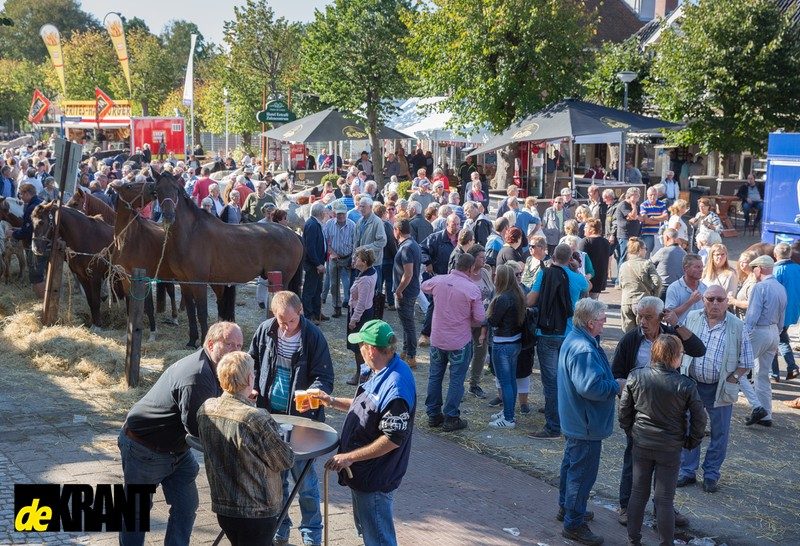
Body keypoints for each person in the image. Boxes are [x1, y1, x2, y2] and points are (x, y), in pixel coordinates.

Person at [118, 322, 243, 545]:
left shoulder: (218, 369)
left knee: (186, 506)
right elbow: (198, 430)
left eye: (240, 345)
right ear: (211, 344)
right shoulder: (196, 375)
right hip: (144, 446)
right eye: (229, 344)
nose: (236, 350)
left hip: (176, 449)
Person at [314, 320, 416, 546]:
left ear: (370, 348)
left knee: (379, 539)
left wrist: (349, 457)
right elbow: (367, 407)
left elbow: (392, 439)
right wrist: (331, 401)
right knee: (370, 534)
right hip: (363, 474)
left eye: (360, 345)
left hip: (375, 478)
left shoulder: (396, 387)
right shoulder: (379, 370)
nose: (358, 349)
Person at [249, 291, 335, 546]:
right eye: (280, 321)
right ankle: (280, 530)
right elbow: (252, 362)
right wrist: (250, 386)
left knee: (305, 483)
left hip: (301, 421)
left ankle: (311, 537)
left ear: (300, 313)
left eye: (291, 321)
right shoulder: (266, 330)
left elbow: (324, 377)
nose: (285, 327)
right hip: (269, 417)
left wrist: (313, 393)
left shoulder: (313, 337)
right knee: (276, 481)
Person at [611, 297, 705, 527]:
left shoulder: (671, 336)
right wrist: (629, 397)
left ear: (661, 316)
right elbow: (616, 374)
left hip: (670, 414)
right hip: (640, 415)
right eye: (639, 316)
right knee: (632, 464)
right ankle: (626, 506)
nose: (642, 321)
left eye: (648, 317)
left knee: (666, 468)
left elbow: (699, 349)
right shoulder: (630, 339)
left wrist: (677, 324)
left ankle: (663, 509)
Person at [197, 351, 295, 546]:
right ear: (250, 378)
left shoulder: (206, 408)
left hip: (224, 506)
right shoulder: (256, 418)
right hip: (256, 510)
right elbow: (285, 460)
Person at [620, 335, 706, 546]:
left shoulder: (636, 376)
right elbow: (700, 417)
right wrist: (690, 441)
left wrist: (632, 431)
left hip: (642, 442)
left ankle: (633, 540)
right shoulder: (685, 384)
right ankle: (666, 543)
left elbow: (624, 411)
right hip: (669, 447)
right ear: (676, 356)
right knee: (664, 499)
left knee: (638, 493)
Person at [557, 299, 622, 545]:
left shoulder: (576, 339)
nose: (605, 323)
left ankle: (567, 508)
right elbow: (590, 387)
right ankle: (573, 523)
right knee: (581, 474)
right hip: (585, 422)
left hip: (576, 419)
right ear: (591, 322)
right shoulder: (583, 348)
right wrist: (617, 386)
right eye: (603, 319)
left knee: (571, 466)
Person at [677, 284, 754, 493]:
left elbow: (747, 361)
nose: (715, 304)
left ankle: (711, 475)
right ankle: (687, 471)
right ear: (703, 300)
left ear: (726, 302)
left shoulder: (738, 326)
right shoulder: (692, 318)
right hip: (692, 384)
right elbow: (679, 345)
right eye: (710, 299)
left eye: (720, 300)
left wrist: (734, 378)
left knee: (719, 433)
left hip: (719, 387)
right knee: (690, 427)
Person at [527, 244, 590, 439]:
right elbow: (586, 296)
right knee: (570, 380)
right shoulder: (578, 278)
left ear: (553, 256)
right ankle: (571, 421)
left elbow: (530, 300)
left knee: (551, 381)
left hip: (547, 333)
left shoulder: (544, 274)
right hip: (569, 333)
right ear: (570, 258)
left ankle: (553, 426)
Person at [421, 252, 485, 432]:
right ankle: (451, 416)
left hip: (438, 338)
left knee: (435, 376)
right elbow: (480, 318)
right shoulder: (472, 289)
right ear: (472, 268)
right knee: (456, 380)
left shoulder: (439, 281)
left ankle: (433, 414)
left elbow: (424, 285)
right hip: (459, 340)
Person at [743, 255, 787, 427]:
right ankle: (766, 414)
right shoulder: (780, 288)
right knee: (763, 374)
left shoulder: (759, 287)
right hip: (774, 331)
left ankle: (757, 407)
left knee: (737, 370)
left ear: (759, 269)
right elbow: (782, 317)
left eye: (754, 268)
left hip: (760, 331)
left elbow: (752, 316)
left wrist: (744, 335)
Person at [486, 264, 525, 428]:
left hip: (503, 343)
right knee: (511, 381)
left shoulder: (502, 298)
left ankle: (509, 418)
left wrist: (486, 310)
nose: (494, 277)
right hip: (515, 341)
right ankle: (509, 412)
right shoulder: (518, 294)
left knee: (505, 382)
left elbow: (493, 321)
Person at [393, 218, 422, 369]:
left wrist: (399, 290)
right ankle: (406, 350)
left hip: (406, 292)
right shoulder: (413, 244)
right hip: (410, 290)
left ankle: (411, 355)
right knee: (406, 323)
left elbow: (408, 274)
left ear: (397, 230)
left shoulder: (406, 248)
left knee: (409, 325)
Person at [346, 248, 378, 385]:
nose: (354, 261)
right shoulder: (370, 272)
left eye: (357, 258)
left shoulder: (365, 279)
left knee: (359, 347)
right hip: (364, 313)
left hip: (361, 315)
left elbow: (361, 303)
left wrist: (354, 320)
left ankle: (361, 375)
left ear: (364, 262)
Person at [466, 244, 493, 399]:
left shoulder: (484, 272)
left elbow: (492, 291)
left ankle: (474, 384)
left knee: (481, 353)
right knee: (465, 353)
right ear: (473, 258)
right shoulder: (465, 274)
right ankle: (458, 384)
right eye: (481, 257)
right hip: (466, 321)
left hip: (483, 321)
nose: (485, 259)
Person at [618, 237, 662, 333]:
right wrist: (655, 296)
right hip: (642, 301)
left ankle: (628, 348)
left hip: (626, 301)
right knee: (642, 333)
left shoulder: (623, 265)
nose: (646, 251)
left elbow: (621, 284)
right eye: (645, 249)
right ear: (640, 249)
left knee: (628, 334)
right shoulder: (647, 264)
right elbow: (657, 282)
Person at [10, 183, 45, 298]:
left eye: (21, 194)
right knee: (40, 274)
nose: (20, 197)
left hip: (35, 245)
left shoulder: (31, 208)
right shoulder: (41, 202)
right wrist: (20, 229)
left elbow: (28, 231)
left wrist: (14, 233)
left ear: (26, 193)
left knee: (36, 276)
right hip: (45, 243)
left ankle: (41, 302)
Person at [772, 243, 800, 381]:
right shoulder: (798, 268)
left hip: (778, 313)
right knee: (781, 338)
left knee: (775, 341)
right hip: (793, 311)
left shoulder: (777, 271)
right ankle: (790, 367)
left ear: (775, 255)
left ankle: (776, 372)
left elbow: (773, 293)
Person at [323, 200, 356, 318]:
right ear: (335, 213)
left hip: (348, 258)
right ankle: (336, 308)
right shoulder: (329, 224)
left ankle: (350, 305)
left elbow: (356, 243)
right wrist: (331, 252)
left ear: (346, 213)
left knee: (350, 284)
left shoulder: (352, 225)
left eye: (343, 213)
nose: (341, 216)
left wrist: (353, 258)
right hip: (334, 259)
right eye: (339, 214)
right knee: (334, 284)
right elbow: (325, 242)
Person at [302, 203, 328, 325]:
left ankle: (317, 313)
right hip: (313, 264)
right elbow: (310, 247)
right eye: (325, 212)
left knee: (317, 290)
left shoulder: (315, 223)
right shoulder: (312, 225)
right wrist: (317, 264)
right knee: (309, 291)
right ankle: (308, 315)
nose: (325, 214)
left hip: (318, 263)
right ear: (321, 213)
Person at [354, 196, 388, 290]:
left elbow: (382, 242)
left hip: (373, 263)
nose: (361, 209)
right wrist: (354, 256)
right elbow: (356, 241)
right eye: (360, 206)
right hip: (361, 263)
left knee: (372, 292)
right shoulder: (360, 222)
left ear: (370, 207)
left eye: (363, 206)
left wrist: (365, 248)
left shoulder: (377, 222)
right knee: (360, 291)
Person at [665, 254, 707, 324]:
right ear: (686, 268)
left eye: (702, 267)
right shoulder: (674, 288)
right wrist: (690, 301)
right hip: (679, 331)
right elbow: (668, 315)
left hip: (699, 331)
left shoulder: (705, 288)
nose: (701, 270)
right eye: (697, 267)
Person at [650, 228, 686, 300]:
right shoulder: (684, 253)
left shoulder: (663, 251)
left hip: (664, 288)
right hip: (679, 287)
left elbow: (649, 264)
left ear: (666, 237)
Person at [580, 219, 610, 299]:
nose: (584, 229)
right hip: (600, 276)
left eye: (586, 227)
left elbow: (581, 259)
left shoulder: (585, 241)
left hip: (588, 276)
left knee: (586, 304)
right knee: (594, 301)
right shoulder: (606, 242)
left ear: (592, 229)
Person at [616, 187, 642, 265]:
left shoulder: (637, 206)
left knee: (633, 257)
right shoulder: (623, 205)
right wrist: (633, 204)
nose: (638, 198)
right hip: (625, 235)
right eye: (636, 195)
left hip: (634, 234)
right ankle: (620, 276)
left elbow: (640, 217)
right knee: (624, 257)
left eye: (638, 195)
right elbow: (633, 216)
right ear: (630, 195)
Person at [639, 186, 668, 256]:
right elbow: (646, 221)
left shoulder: (662, 204)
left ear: (657, 195)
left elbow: (666, 216)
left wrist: (653, 217)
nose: (653, 197)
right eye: (651, 195)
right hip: (647, 234)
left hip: (659, 234)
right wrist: (660, 220)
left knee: (659, 255)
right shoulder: (643, 205)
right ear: (647, 195)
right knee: (646, 254)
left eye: (654, 195)